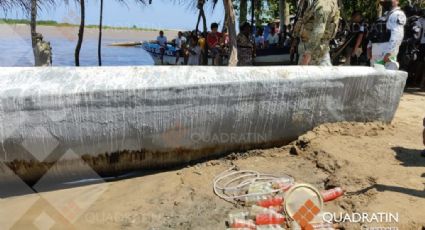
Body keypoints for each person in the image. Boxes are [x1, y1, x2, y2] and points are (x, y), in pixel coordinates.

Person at [294, 0, 340, 66]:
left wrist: (308, 53)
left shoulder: (323, 3)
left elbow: (319, 30)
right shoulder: (318, 3)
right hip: (314, 49)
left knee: (310, 74)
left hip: (315, 51)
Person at [367, 0, 406, 70]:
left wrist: (390, 53)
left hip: (386, 53)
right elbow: (374, 32)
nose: (383, 2)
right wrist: (369, 47)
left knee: (386, 78)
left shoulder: (397, 14)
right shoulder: (385, 15)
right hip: (376, 53)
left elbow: (398, 35)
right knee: (375, 78)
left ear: (397, 1)